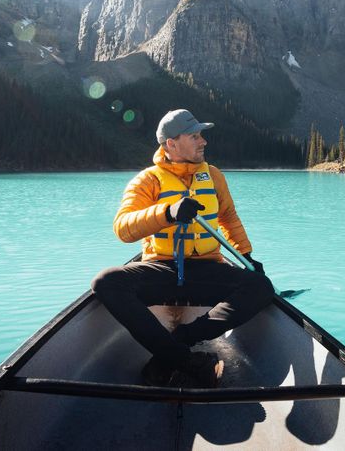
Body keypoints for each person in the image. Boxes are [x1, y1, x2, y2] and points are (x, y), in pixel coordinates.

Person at [91, 109, 274, 388]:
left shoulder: (213, 176)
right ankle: (189, 362)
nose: (203, 142)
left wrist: (245, 254)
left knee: (261, 287)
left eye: (202, 135)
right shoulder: (147, 180)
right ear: (171, 144)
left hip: (208, 268)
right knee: (106, 282)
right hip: (163, 268)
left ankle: (178, 343)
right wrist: (168, 212)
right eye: (195, 136)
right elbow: (123, 228)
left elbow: (229, 218)